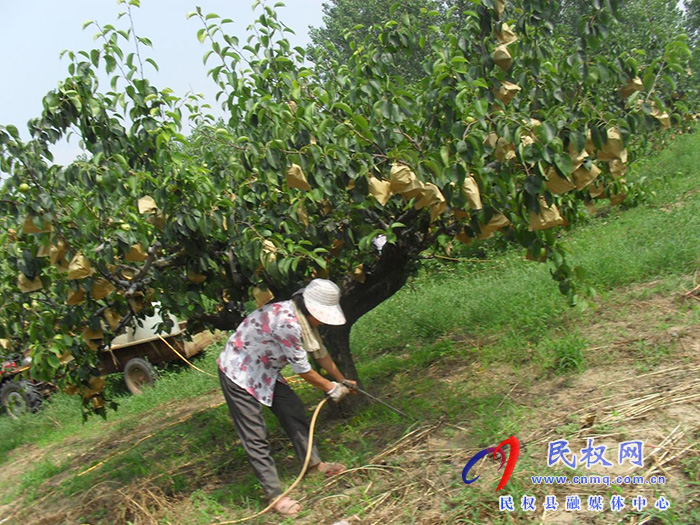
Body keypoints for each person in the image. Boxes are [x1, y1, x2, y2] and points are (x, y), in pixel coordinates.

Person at [217, 279, 357, 518]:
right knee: (255, 434)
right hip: (239, 370)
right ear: (311, 310)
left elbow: (321, 355)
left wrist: (341, 379)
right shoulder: (288, 323)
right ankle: (275, 495)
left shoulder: (304, 322)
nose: (323, 321)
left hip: (265, 369)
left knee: (292, 409)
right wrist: (331, 388)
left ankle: (313, 465)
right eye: (322, 316)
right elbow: (303, 371)